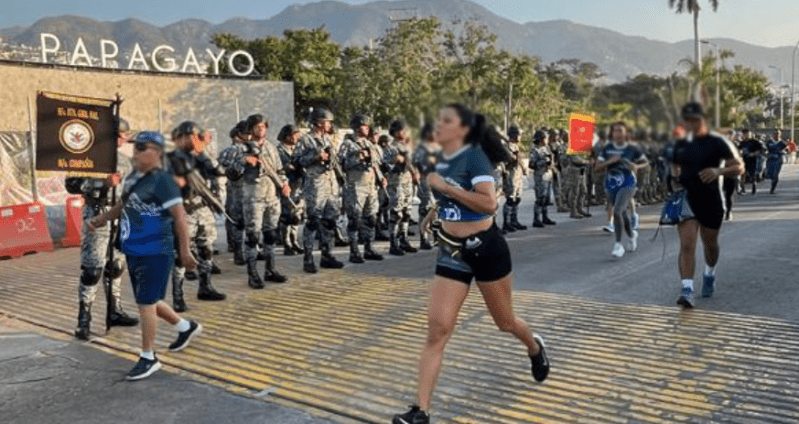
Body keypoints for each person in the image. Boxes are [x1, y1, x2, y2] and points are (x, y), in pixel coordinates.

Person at [391, 104, 549, 424]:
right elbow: (451, 195)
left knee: (505, 322)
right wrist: (435, 212)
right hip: (452, 252)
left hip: (486, 249)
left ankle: (534, 347)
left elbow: (488, 203)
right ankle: (421, 411)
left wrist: (446, 188)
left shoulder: (475, 157)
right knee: (438, 330)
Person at [88, 131, 202, 380]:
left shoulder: (164, 181)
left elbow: (180, 218)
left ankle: (149, 357)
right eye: (134, 147)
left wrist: (185, 252)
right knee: (148, 299)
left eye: (141, 148)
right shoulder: (133, 178)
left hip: (156, 250)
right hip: (133, 249)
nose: (135, 152)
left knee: (146, 304)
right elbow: (123, 205)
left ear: (157, 152)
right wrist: (102, 218)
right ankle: (185, 326)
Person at [66, 118, 138, 341]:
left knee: (116, 266)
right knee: (92, 270)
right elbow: (72, 185)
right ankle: (84, 318)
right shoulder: (87, 158)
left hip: (121, 214)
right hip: (97, 213)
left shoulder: (126, 161)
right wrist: (103, 183)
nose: (123, 138)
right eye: (120, 134)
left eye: (125, 134)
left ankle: (114, 310)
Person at [668, 103, 743, 308]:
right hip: (687, 198)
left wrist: (719, 171)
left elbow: (739, 167)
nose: (691, 123)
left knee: (710, 245)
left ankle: (709, 272)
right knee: (687, 245)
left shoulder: (718, 142)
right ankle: (687, 290)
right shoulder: (679, 143)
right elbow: (675, 166)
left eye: (695, 119)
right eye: (687, 119)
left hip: (711, 199)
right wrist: (674, 181)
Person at [168, 122, 227, 310]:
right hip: (183, 210)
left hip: (202, 208)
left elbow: (218, 171)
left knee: (206, 248)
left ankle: (205, 287)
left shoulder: (200, 157)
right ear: (181, 138)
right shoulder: (171, 159)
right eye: (190, 137)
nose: (194, 140)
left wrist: (202, 152)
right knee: (180, 255)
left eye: (196, 136)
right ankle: (178, 296)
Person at [241, 114, 291, 287]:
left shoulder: (271, 147)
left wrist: (285, 184)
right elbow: (231, 169)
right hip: (253, 198)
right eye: (257, 126)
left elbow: (279, 170)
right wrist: (245, 161)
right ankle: (252, 274)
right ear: (251, 129)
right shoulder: (243, 148)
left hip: (271, 197)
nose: (261, 129)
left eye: (263, 126)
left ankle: (270, 270)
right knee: (253, 237)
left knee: (270, 235)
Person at [294, 107, 345, 272]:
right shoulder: (306, 140)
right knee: (313, 221)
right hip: (315, 185)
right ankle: (308, 258)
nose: (330, 125)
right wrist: (316, 157)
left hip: (330, 184)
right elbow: (297, 160)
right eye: (328, 122)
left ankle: (327, 256)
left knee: (330, 221)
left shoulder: (328, 139)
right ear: (319, 122)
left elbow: (335, 161)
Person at [594, 122, 648, 258]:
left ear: (626, 133)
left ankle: (618, 245)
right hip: (611, 184)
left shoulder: (632, 149)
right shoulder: (607, 149)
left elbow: (645, 162)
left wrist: (636, 166)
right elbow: (597, 167)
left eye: (620, 131)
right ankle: (631, 235)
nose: (617, 134)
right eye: (615, 131)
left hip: (628, 183)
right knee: (622, 213)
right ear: (612, 134)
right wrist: (610, 162)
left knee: (617, 211)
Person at [338, 114, 386, 263]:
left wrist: (381, 177)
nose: (367, 128)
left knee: (371, 218)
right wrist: (358, 157)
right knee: (355, 219)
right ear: (357, 127)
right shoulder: (348, 144)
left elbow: (376, 162)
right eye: (364, 126)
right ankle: (354, 251)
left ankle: (368, 248)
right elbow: (341, 164)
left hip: (370, 185)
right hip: (356, 186)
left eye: (367, 126)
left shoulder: (369, 143)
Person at [385, 120, 420, 256]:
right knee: (396, 213)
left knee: (406, 212)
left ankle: (403, 239)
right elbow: (386, 163)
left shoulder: (407, 146)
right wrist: (396, 159)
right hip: (397, 182)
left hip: (407, 182)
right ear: (394, 132)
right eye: (401, 130)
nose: (404, 133)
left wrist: (415, 172)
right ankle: (393, 243)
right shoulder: (391, 147)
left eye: (405, 130)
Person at [528, 130, 557, 228]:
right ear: (541, 139)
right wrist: (543, 162)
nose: (547, 140)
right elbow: (531, 164)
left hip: (547, 176)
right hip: (539, 176)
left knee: (546, 198)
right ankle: (536, 219)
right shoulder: (535, 150)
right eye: (546, 138)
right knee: (540, 198)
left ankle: (545, 217)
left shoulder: (547, 148)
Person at [765, 129, 788, 194]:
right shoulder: (769, 142)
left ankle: (772, 189)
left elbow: (786, 150)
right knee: (769, 174)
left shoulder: (782, 143)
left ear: (780, 135)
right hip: (770, 160)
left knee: (775, 174)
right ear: (773, 135)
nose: (776, 135)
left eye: (778, 134)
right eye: (775, 134)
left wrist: (784, 152)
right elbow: (764, 149)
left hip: (778, 160)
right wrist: (766, 153)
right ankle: (771, 181)